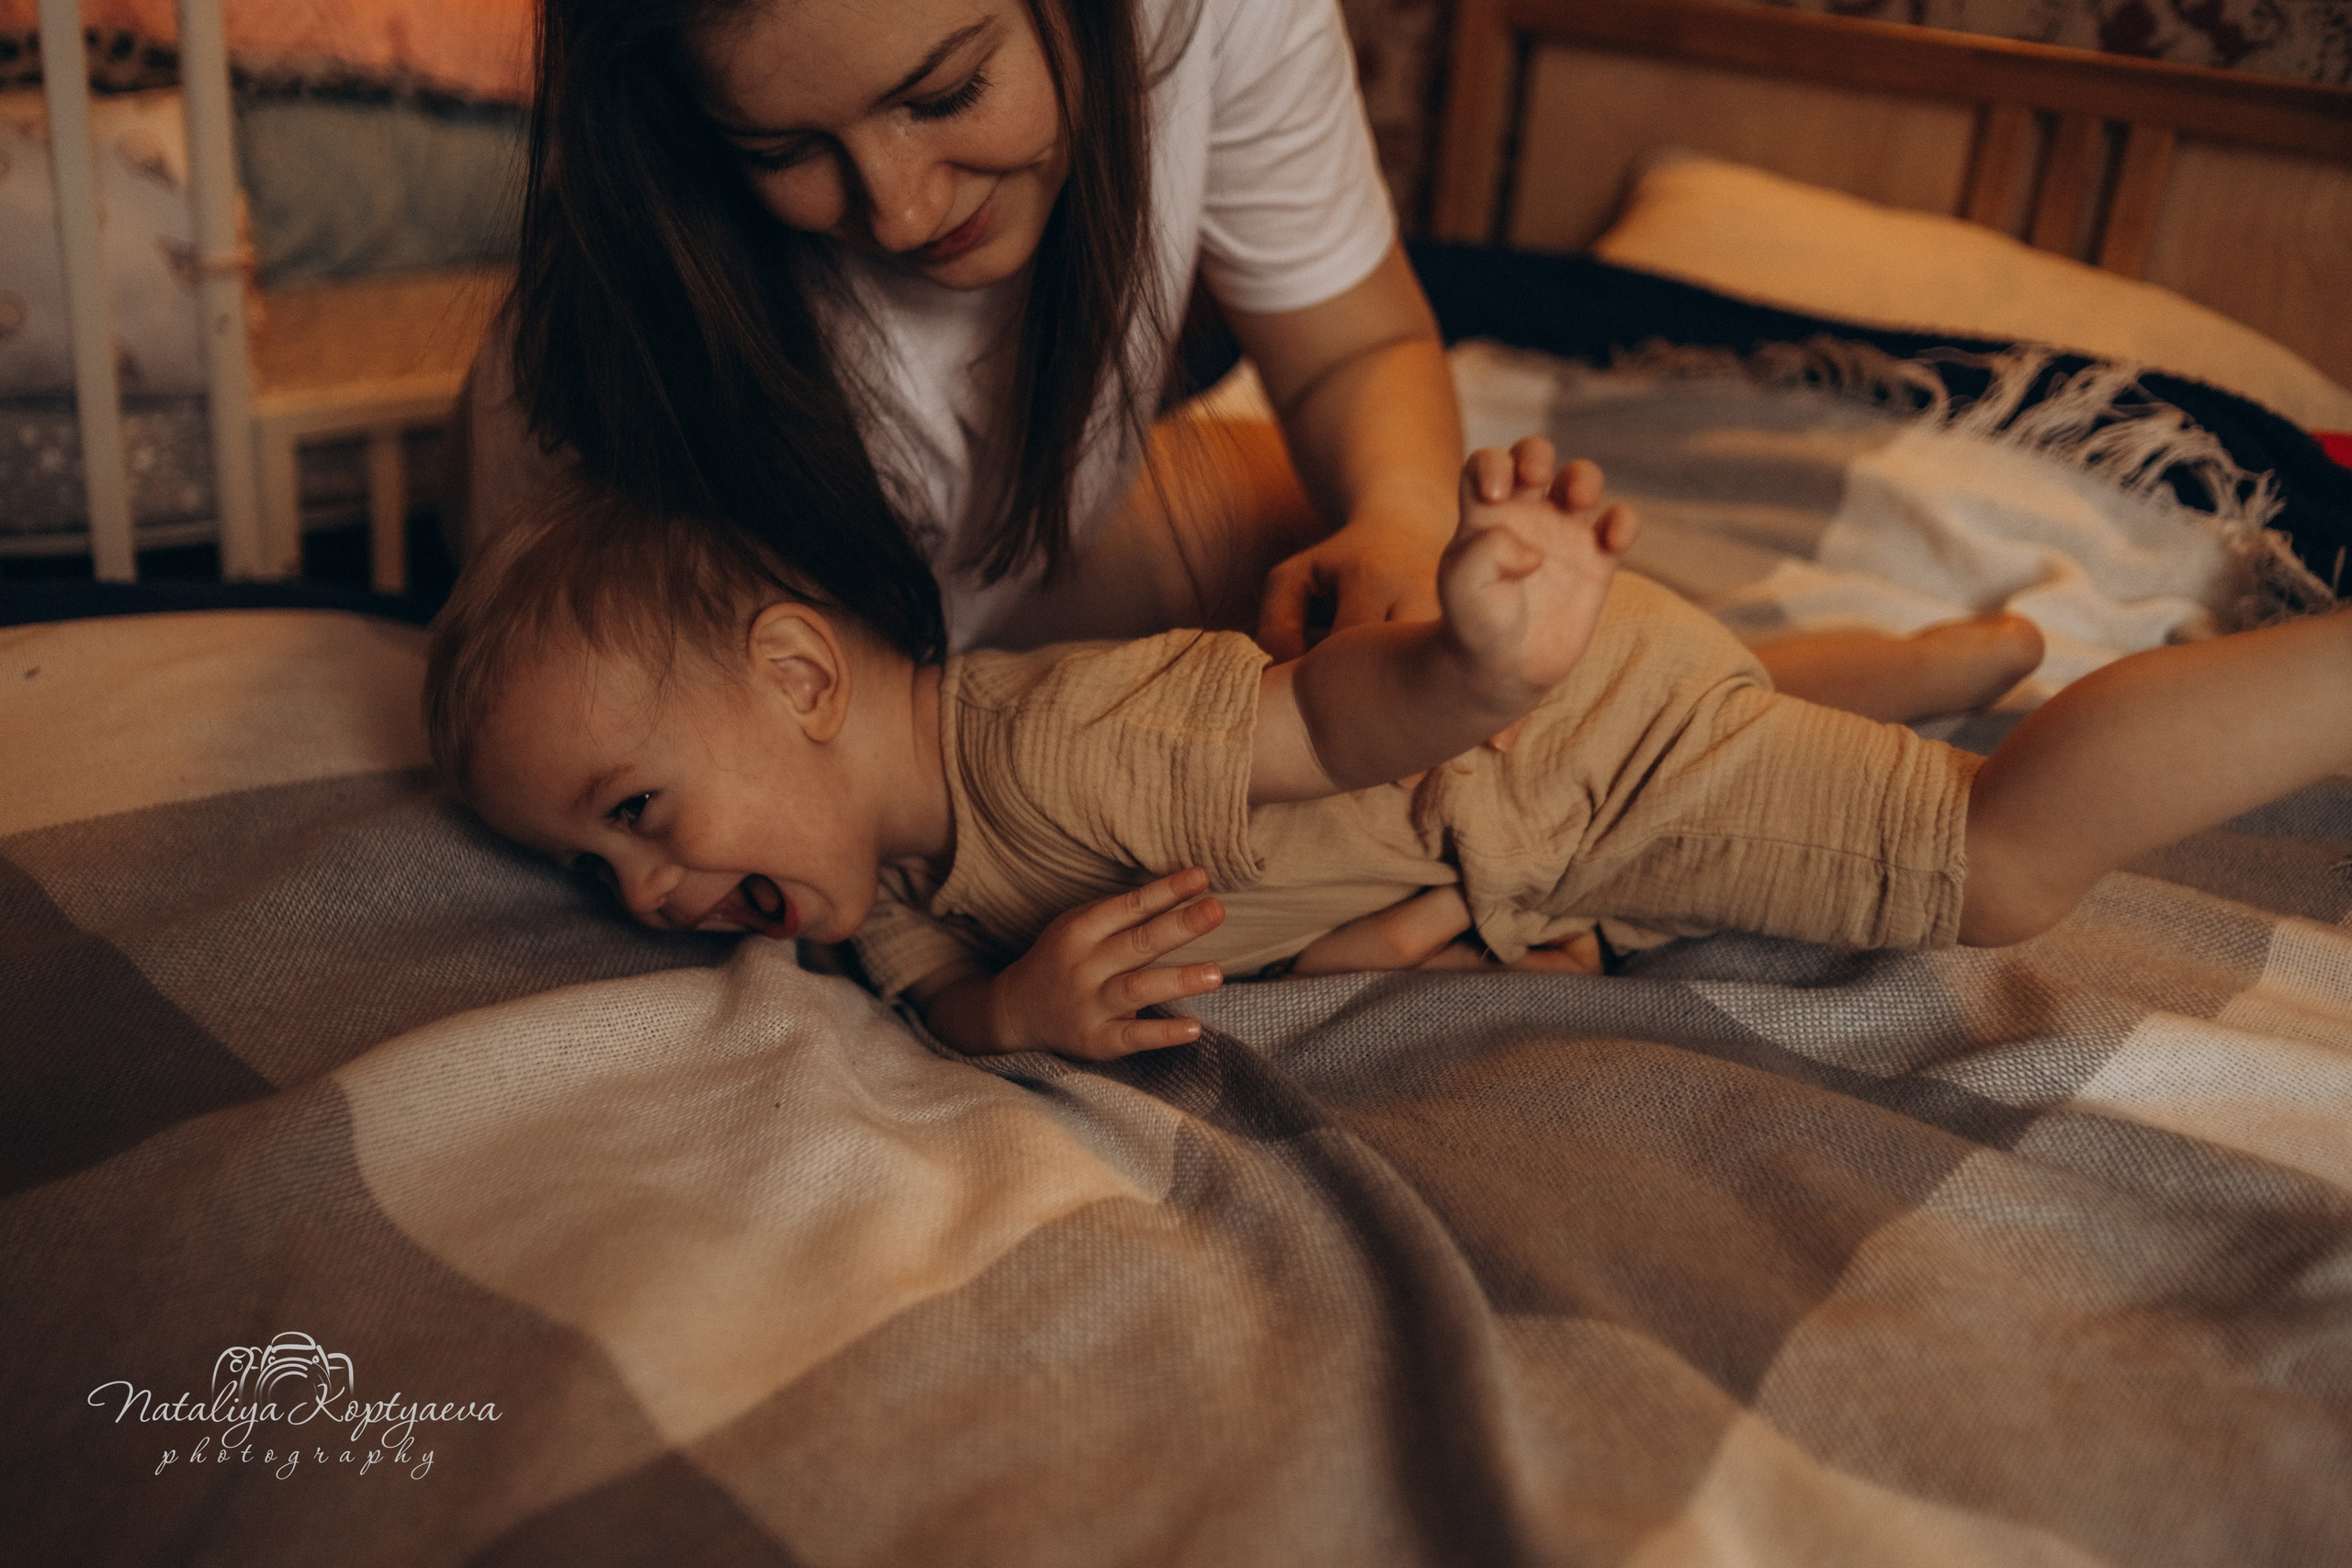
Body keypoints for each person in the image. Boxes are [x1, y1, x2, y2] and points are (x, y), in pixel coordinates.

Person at [425, 443, 2352, 1060]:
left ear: (797, 677)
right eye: (598, 873)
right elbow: (955, 1004)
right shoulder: (885, 887)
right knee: (1751, 693)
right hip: (1540, 767)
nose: (652, 899)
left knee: (1987, 855)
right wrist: (1013, 1014)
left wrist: (1482, 655)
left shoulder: (1058, 742)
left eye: (638, 815)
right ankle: (1966, 643)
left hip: (1551, 760)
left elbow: (1332, 720)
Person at [458, 0, 2039, 715]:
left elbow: (1355, 349)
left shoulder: (1208, 14)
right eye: (785, 148)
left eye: (945, 93)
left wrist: (1407, 530)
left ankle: (1782, 682)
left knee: (1453, 571)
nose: (893, 203)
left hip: (1052, 553)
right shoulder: (618, 312)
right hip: (828, 671)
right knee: (1337, 747)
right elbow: (624, 721)